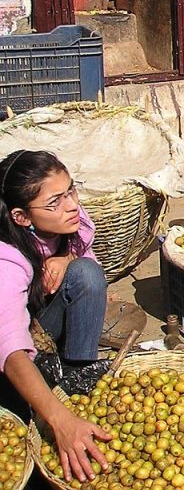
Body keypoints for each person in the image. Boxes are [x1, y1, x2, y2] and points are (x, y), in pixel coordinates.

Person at [0, 150, 111, 482]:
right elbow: (10, 348)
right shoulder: (6, 259)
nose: (72, 205)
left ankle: (76, 377)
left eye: (71, 191)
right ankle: (52, 399)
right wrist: (59, 421)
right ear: (21, 217)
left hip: (40, 325)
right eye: (55, 202)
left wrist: (67, 257)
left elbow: (86, 256)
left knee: (86, 274)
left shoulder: (69, 217)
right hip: (14, 346)